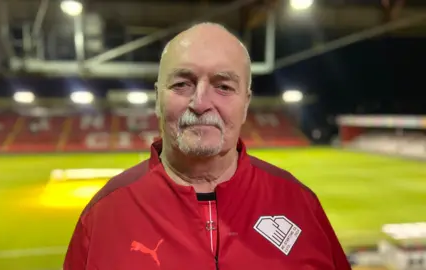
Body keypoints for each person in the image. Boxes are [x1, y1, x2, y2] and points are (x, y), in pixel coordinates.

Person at [64, 22, 351, 270]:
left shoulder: (300, 204)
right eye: (181, 84)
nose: (200, 103)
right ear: (157, 98)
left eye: (223, 86)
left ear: (246, 103)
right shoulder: (104, 214)